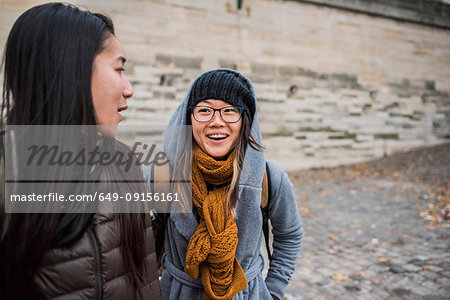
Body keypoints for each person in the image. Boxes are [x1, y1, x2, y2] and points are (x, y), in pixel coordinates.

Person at [0, 3, 161, 299]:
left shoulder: (125, 161)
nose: (129, 89)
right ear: (70, 69)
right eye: (119, 69)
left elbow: (146, 280)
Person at [147, 69, 303, 299]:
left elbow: (289, 235)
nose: (216, 121)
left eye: (229, 111)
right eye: (204, 110)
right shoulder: (163, 175)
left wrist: (274, 290)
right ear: (189, 118)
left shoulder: (270, 178)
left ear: (245, 120)